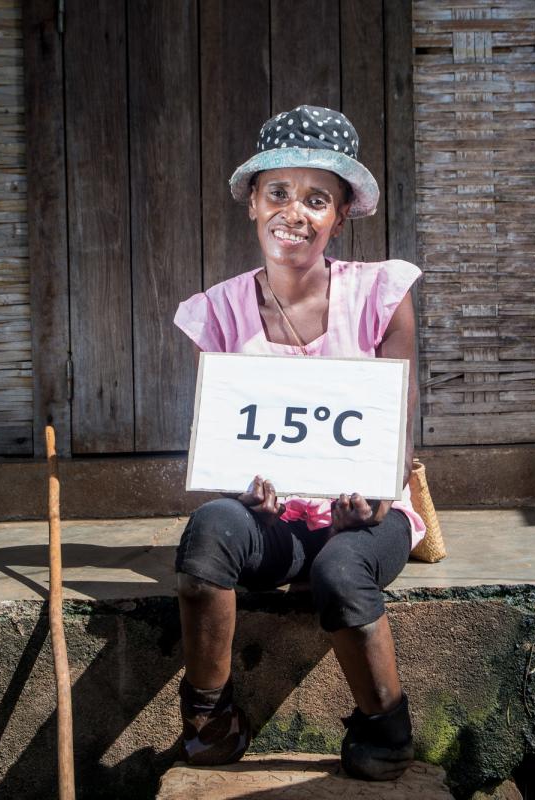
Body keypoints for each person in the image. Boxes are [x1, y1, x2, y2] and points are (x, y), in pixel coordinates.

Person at [171, 105, 425, 781]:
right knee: (207, 536)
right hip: (271, 522)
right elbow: (225, 433)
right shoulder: (218, 311)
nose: (295, 212)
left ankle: (386, 727)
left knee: (340, 570)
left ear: (341, 215)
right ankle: (209, 716)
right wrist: (241, 484)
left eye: (318, 198)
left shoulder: (380, 295)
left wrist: (374, 496)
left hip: (365, 516)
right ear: (253, 204)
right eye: (278, 192)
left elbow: (397, 424)